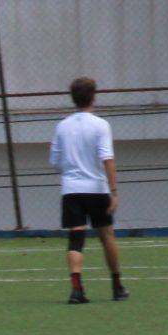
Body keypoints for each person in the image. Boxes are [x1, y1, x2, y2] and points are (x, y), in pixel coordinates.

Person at [50, 76, 126, 304]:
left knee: (76, 239)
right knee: (107, 235)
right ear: (93, 97)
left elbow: (55, 162)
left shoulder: (62, 126)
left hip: (71, 190)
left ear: (73, 98)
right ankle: (117, 286)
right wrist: (114, 191)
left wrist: (71, 170)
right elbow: (107, 159)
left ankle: (77, 290)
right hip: (97, 189)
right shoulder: (100, 125)